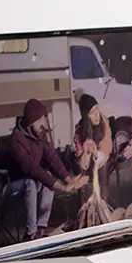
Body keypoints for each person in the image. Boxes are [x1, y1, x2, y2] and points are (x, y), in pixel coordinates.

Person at [10, 98, 83, 240]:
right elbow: (32, 168)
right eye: (40, 121)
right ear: (31, 122)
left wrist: (69, 179)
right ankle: (31, 234)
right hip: (12, 184)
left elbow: (52, 158)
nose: (44, 124)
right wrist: (61, 187)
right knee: (34, 182)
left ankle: (41, 227)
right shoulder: (17, 139)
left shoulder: (39, 135)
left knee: (46, 177)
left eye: (44, 119)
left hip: (30, 182)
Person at [73, 94, 114, 195]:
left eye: (96, 109)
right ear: (86, 116)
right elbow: (81, 163)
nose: (96, 114)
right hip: (88, 162)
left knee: (103, 166)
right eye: (92, 112)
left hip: (102, 160)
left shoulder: (104, 124)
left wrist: (95, 152)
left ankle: (103, 199)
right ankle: (85, 202)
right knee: (81, 172)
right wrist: (85, 151)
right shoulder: (79, 131)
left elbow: (106, 150)